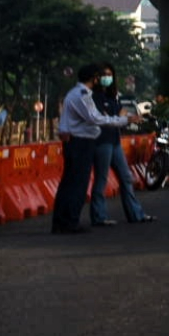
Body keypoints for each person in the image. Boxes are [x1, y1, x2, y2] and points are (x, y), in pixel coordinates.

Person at [52, 62, 132, 235]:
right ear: (93, 78)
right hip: (80, 143)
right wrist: (125, 121)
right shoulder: (82, 95)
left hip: (77, 142)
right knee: (77, 184)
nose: (101, 79)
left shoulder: (77, 93)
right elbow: (95, 118)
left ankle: (61, 221)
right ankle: (69, 222)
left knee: (69, 183)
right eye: (99, 76)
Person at [89, 64, 155, 226]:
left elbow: (121, 114)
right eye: (104, 74)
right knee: (101, 179)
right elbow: (105, 118)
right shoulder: (94, 97)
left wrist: (117, 117)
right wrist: (117, 117)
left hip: (114, 141)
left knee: (126, 177)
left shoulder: (112, 96)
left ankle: (136, 214)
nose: (107, 77)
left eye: (110, 74)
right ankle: (99, 217)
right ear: (97, 77)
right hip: (101, 142)